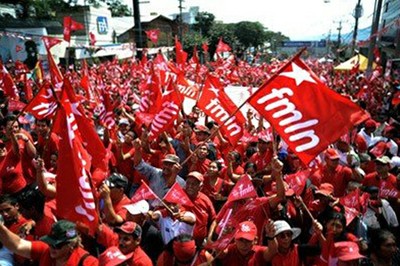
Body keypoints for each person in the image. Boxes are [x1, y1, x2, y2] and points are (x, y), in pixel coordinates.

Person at [0, 219, 98, 265]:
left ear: (71, 244)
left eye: (57, 245)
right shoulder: (45, 250)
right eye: (50, 243)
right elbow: (17, 245)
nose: (52, 248)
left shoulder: (88, 262)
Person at [184, 171, 216, 246]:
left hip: (199, 243)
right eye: (188, 183)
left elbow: (214, 219)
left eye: (194, 184)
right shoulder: (179, 195)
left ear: (200, 187)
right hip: (181, 242)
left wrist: (209, 237)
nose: (190, 186)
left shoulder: (205, 200)